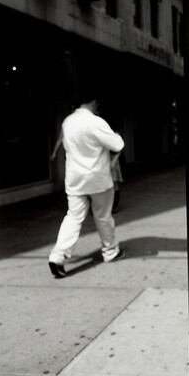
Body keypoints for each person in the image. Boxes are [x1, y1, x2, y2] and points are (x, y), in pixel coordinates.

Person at [48, 92, 125, 278]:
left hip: (75, 178)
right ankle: (110, 251)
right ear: (94, 101)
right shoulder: (96, 122)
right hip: (98, 178)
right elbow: (117, 145)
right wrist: (116, 136)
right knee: (103, 216)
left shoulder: (67, 121)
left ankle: (58, 256)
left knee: (73, 216)